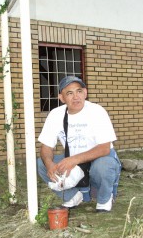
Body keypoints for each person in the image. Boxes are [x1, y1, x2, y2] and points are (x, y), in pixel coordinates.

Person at [37, 76, 121, 212]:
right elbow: (46, 147)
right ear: (61, 98)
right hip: (74, 159)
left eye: (79, 91)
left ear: (85, 93)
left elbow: (105, 148)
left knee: (103, 166)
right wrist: (50, 165)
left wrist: (73, 160)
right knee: (41, 164)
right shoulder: (55, 115)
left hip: (99, 157)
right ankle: (73, 197)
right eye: (69, 93)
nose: (76, 97)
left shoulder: (97, 111)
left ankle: (104, 199)